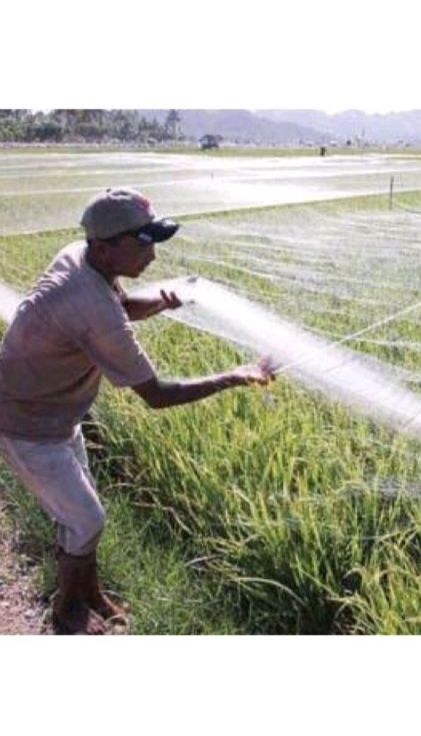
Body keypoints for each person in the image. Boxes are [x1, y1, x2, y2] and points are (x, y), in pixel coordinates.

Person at [0, 187, 275, 635]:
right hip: (24, 424)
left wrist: (170, 299)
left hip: (56, 411)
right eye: (143, 242)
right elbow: (158, 394)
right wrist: (237, 375)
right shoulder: (87, 305)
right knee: (87, 519)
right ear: (106, 247)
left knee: (79, 519)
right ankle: (67, 611)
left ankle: (89, 593)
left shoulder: (82, 256)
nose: (152, 254)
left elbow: (121, 305)